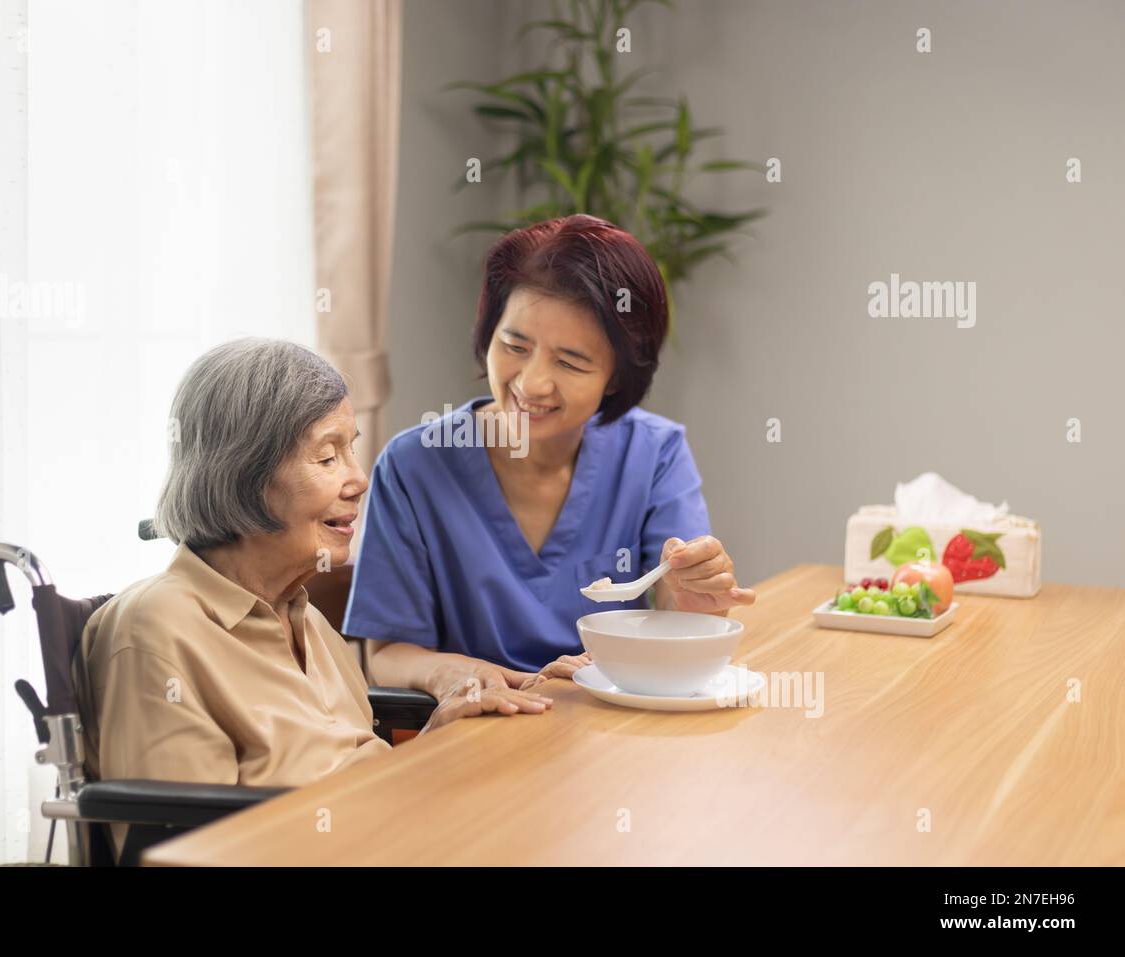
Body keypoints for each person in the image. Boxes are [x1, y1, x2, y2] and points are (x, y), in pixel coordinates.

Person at [74, 338, 553, 858]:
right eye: (327, 456)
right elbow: (183, 848)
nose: (359, 480)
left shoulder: (306, 619)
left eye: (351, 449)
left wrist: (443, 729)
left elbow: (351, 767)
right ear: (244, 476)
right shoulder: (156, 630)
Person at [344, 214, 756, 698]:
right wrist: (461, 676)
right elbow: (388, 652)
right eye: (514, 345)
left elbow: (674, 610)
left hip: (609, 727)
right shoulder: (415, 465)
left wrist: (693, 600)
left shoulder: (654, 453)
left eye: (570, 361)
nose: (531, 383)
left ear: (617, 377)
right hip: (480, 731)